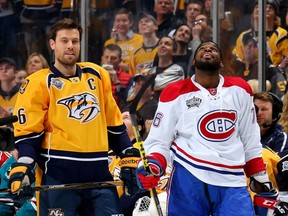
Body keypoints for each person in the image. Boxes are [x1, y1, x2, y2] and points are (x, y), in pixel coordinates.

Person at [8, 18, 136, 216]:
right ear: (52, 44)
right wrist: (24, 166)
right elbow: (29, 135)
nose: (70, 46)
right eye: (64, 41)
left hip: (99, 176)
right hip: (58, 179)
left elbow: (114, 126)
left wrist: (128, 155)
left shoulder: (97, 74)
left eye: (75, 41)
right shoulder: (37, 82)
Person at [136, 41, 274, 215]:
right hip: (188, 177)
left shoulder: (240, 89)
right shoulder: (174, 92)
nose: (208, 50)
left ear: (221, 63)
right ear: (194, 62)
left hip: (232, 179)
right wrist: (153, 165)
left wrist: (260, 177)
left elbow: (249, 138)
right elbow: (159, 140)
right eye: (202, 49)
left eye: (213, 49)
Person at [233, 0, 288, 70]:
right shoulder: (244, 36)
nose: (267, 9)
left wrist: (280, 67)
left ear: (275, 15)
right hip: (248, 77)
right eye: (257, 7)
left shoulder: (281, 34)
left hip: (274, 77)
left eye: (270, 8)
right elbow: (237, 57)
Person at [233, 34, 287, 99]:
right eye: (246, 44)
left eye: (254, 46)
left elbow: (281, 97)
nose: (248, 47)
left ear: (263, 50)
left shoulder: (270, 70)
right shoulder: (238, 70)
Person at [104, 8, 143, 74]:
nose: (121, 24)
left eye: (124, 21)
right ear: (114, 23)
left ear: (130, 23)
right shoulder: (108, 43)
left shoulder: (141, 39)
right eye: (118, 21)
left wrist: (126, 67)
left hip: (134, 79)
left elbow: (142, 63)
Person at [254, 91, 288, 158]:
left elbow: (276, 163)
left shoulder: (280, 137)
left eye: (264, 109)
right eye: (256, 109)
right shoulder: (244, 134)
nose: (259, 113)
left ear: (274, 113)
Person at [101, 44, 132, 111]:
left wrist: (116, 81)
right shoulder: (94, 75)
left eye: (113, 58)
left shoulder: (128, 78)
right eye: (106, 57)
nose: (109, 60)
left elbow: (127, 102)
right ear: (102, 59)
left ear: (120, 61)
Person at [129, 11, 159, 76]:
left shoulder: (163, 48)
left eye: (147, 21)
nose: (143, 23)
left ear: (156, 26)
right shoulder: (135, 54)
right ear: (139, 30)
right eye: (141, 22)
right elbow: (132, 77)